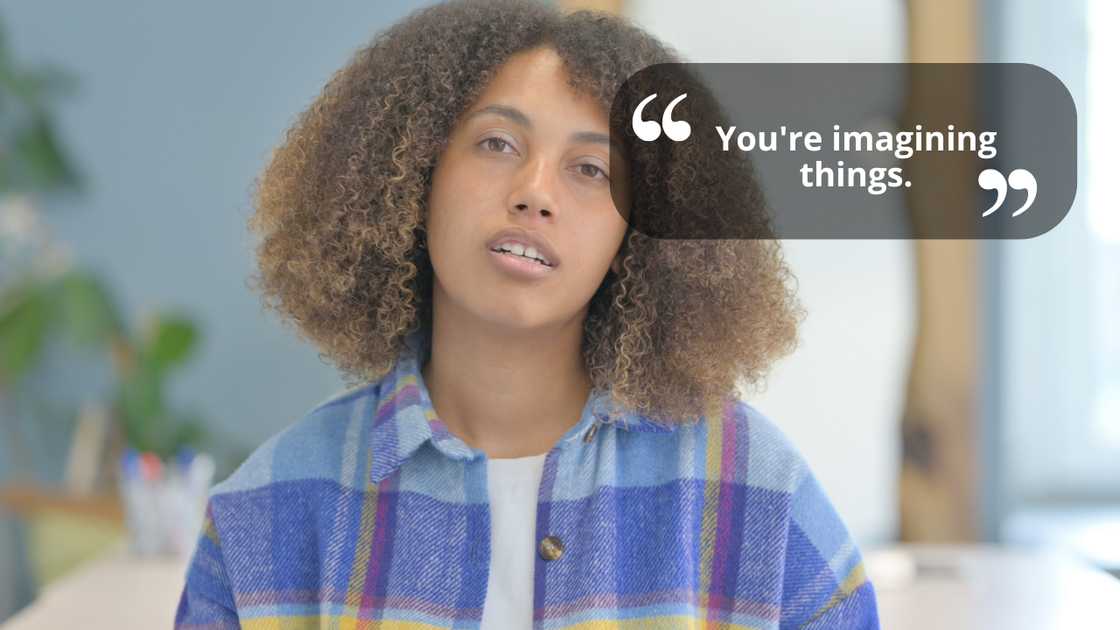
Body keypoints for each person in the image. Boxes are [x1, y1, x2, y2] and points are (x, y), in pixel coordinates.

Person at [175, 0, 880, 628]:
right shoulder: (265, 514)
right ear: (414, 174)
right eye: (497, 144)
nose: (535, 193)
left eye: (591, 170)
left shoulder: (759, 493)